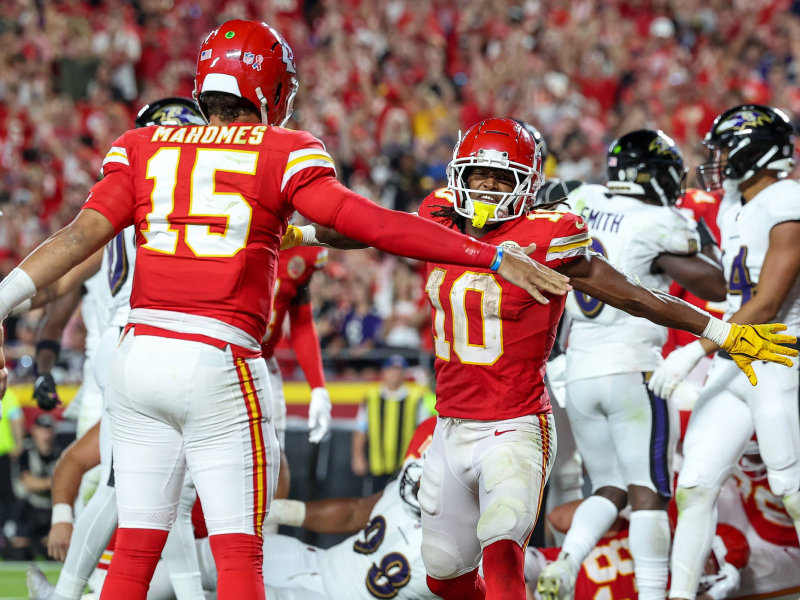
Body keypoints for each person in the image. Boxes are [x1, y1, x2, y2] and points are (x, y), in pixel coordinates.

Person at [0, 19, 573, 600]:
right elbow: (371, 224)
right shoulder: (284, 149)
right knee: (239, 558)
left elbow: (75, 239)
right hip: (217, 357)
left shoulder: (141, 145)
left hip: (137, 353)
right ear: (271, 89)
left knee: (135, 551)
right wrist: (489, 256)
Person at [293, 116, 797, 600]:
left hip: (516, 422)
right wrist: (299, 233)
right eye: (477, 175)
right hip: (451, 423)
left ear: (528, 183)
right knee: (444, 573)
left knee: (503, 545)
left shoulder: (548, 232)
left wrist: (717, 329)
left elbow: (631, 293)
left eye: (500, 177)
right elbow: (374, 228)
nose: (487, 188)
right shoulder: (440, 213)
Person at [538, 130, 727, 600]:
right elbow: (718, 284)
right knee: (648, 493)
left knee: (607, 488)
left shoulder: (581, 196)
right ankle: (650, 594)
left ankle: (567, 561)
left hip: (577, 371)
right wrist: (696, 226)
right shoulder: (660, 219)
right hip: (633, 369)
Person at [643, 105, 800, 600]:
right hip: (736, 356)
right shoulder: (736, 204)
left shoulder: (787, 200)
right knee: (695, 483)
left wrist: (694, 349)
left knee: (790, 487)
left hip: (779, 354)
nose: (719, 159)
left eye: (728, 148)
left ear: (758, 151)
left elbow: (768, 302)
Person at [526, 500, 750, 600]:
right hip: (537, 571)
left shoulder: (678, 594)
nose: (697, 560)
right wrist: (622, 505)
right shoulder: (640, 527)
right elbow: (558, 517)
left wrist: (711, 597)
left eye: (709, 563)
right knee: (506, 564)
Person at [351, 354, 428, 493]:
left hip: (405, 465)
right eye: (391, 369)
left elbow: (424, 431)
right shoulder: (371, 397)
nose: (394, 374)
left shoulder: (415, 398)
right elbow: (361, 429)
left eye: (398, 370)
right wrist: (358, 456)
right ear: (383, 372)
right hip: (377, 464)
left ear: (404, 373)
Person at [13, 415, 62, 560]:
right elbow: (28, 482)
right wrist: (51, 483)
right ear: (34, 430)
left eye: (48, 430)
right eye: (42, 430)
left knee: (54, 552)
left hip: (50, 507)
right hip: (28, 507)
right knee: (20, 552)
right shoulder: (26, 452)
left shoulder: (60, 452)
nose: (45, 434)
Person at [0, 386, 24, 534]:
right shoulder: (6, 393)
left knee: (6, 492)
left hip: (3, 451)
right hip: (4, 450)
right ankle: (9, 527)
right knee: (6, 492)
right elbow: (16, 419)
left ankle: (9, 527)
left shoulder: (6, 394)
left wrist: (18, 444)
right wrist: (19, 443)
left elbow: (16, 418)